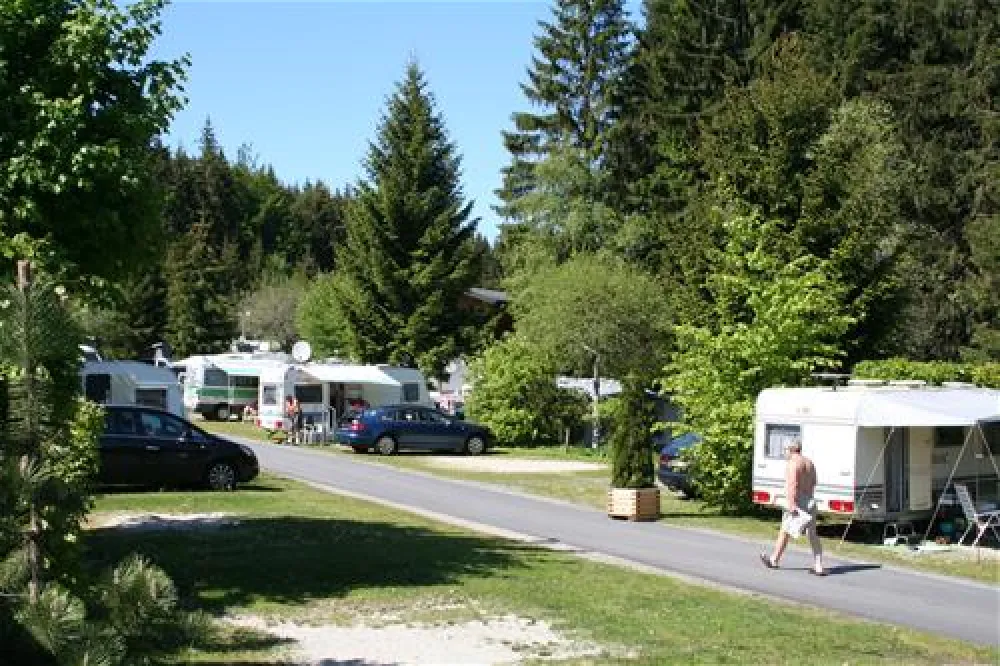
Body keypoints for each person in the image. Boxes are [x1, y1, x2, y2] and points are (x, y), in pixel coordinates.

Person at [761, 437, 826, 576]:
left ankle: (774, 560)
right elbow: (814, 482)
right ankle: (819, 565)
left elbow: (792, 485)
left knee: (785, 530)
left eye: (785, 450)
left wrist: (791, 504)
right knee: (812, 534)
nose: (784, 453)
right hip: (810, 501)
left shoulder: (793, 463)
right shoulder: (809, 462)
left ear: (790, 449)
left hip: (797, 501)